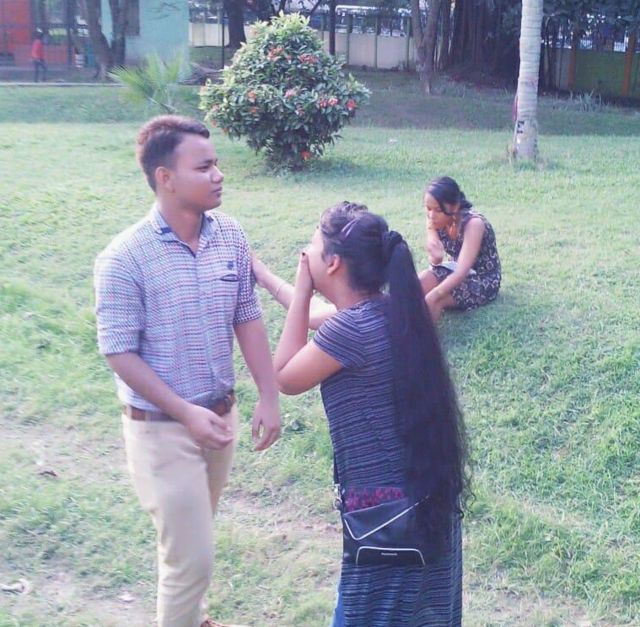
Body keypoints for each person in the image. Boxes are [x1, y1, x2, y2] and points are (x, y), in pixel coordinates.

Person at [94, 115, 281, 627]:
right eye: (204, 167)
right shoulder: (124, 257)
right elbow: (118, 352)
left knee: (187, 545)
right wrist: (184, 413)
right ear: (165, 178)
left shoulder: (230, 236)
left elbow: (247, 316)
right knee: (191, 560)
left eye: (216, 163)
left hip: (219, 420)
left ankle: (193, 619)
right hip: (161, 430)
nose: (219, 175)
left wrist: (268, 396)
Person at [272, 201, 468, 626]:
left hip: (385, 519)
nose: (306, 254)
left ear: (333, 263)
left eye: (312, 246)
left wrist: (302, 288)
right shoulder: (393, 312)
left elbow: (283, 377)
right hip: (425, 501)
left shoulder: (350, 329)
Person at [420, 176, 501, 322]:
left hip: (483, 279)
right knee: (418, 284)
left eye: (438, 210)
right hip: (454, 269)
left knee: (434, 299)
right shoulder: (434, 219)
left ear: (455, 207)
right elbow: (436, 260)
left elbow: (461, 272)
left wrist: (435, 294)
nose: (431, 215)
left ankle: (424, 336)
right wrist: (434, 248)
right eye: (428, 208)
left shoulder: (474, 224)